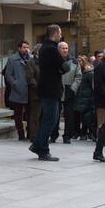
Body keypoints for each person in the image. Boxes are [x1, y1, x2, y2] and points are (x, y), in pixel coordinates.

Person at [31, 24, 65, 161]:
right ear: (55, 33)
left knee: (50, 118)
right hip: (51, 88)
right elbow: (63, 65)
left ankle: (37, 144)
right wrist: (62, 67)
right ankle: (43, 149)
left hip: (48, 88)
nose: (60, 35)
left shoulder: (44, 47)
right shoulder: (51, 49)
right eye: (60, 33)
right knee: (50, 119)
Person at [3, 40, 32, 141]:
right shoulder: (12, 59)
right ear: (19, 48)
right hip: (17, 90)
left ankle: (30, 133)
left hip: (30, 90)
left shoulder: (31, 58)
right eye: (24, 47)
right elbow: (8, 74)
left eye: (27, 47)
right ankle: (21, 135)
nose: (26, 49)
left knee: (30, 114)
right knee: (18, 114)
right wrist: (14, 84)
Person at [61, 40, 82, 143]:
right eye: (63, 48)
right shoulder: (55, 60)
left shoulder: (74, 61)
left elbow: (78, 76)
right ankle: (53, 134)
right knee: (55, 115)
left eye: (66, 48)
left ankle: (68, 135)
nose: (65, 50)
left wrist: (73, 88)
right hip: (57, 90)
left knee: (69, 115)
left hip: (70, 90)